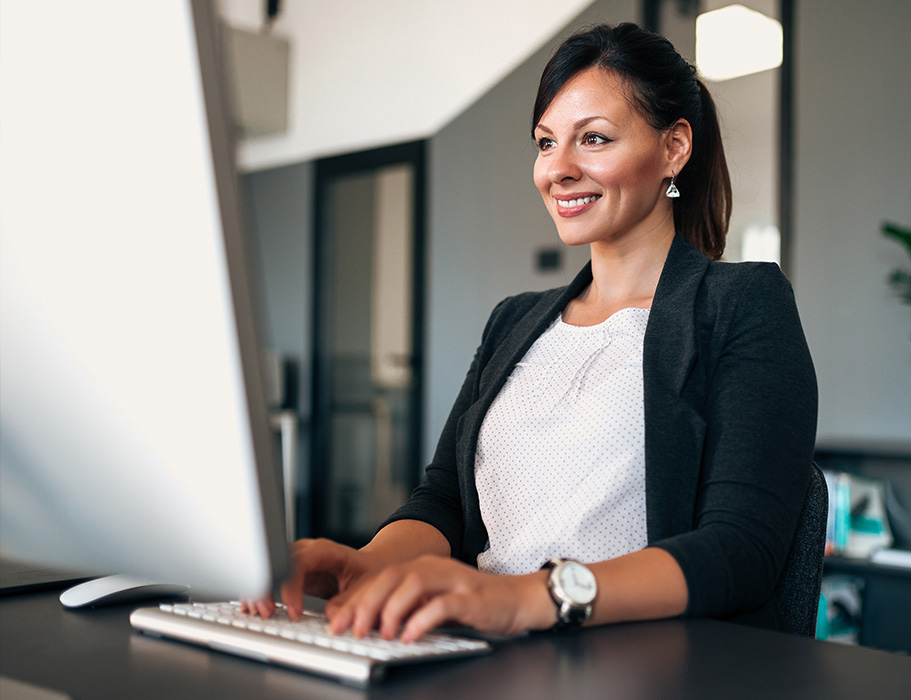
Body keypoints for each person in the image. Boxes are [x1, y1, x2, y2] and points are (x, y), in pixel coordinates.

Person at [249, 22, 817, 642]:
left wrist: (528, 598)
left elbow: (740, 552)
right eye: (546, 143)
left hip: (637, 661)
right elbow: (444, 500)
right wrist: (367, 563)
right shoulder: (515, 320)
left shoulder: (742, 304)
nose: (558, 169)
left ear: (674, 148)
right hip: (482, 651)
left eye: (593, 139)